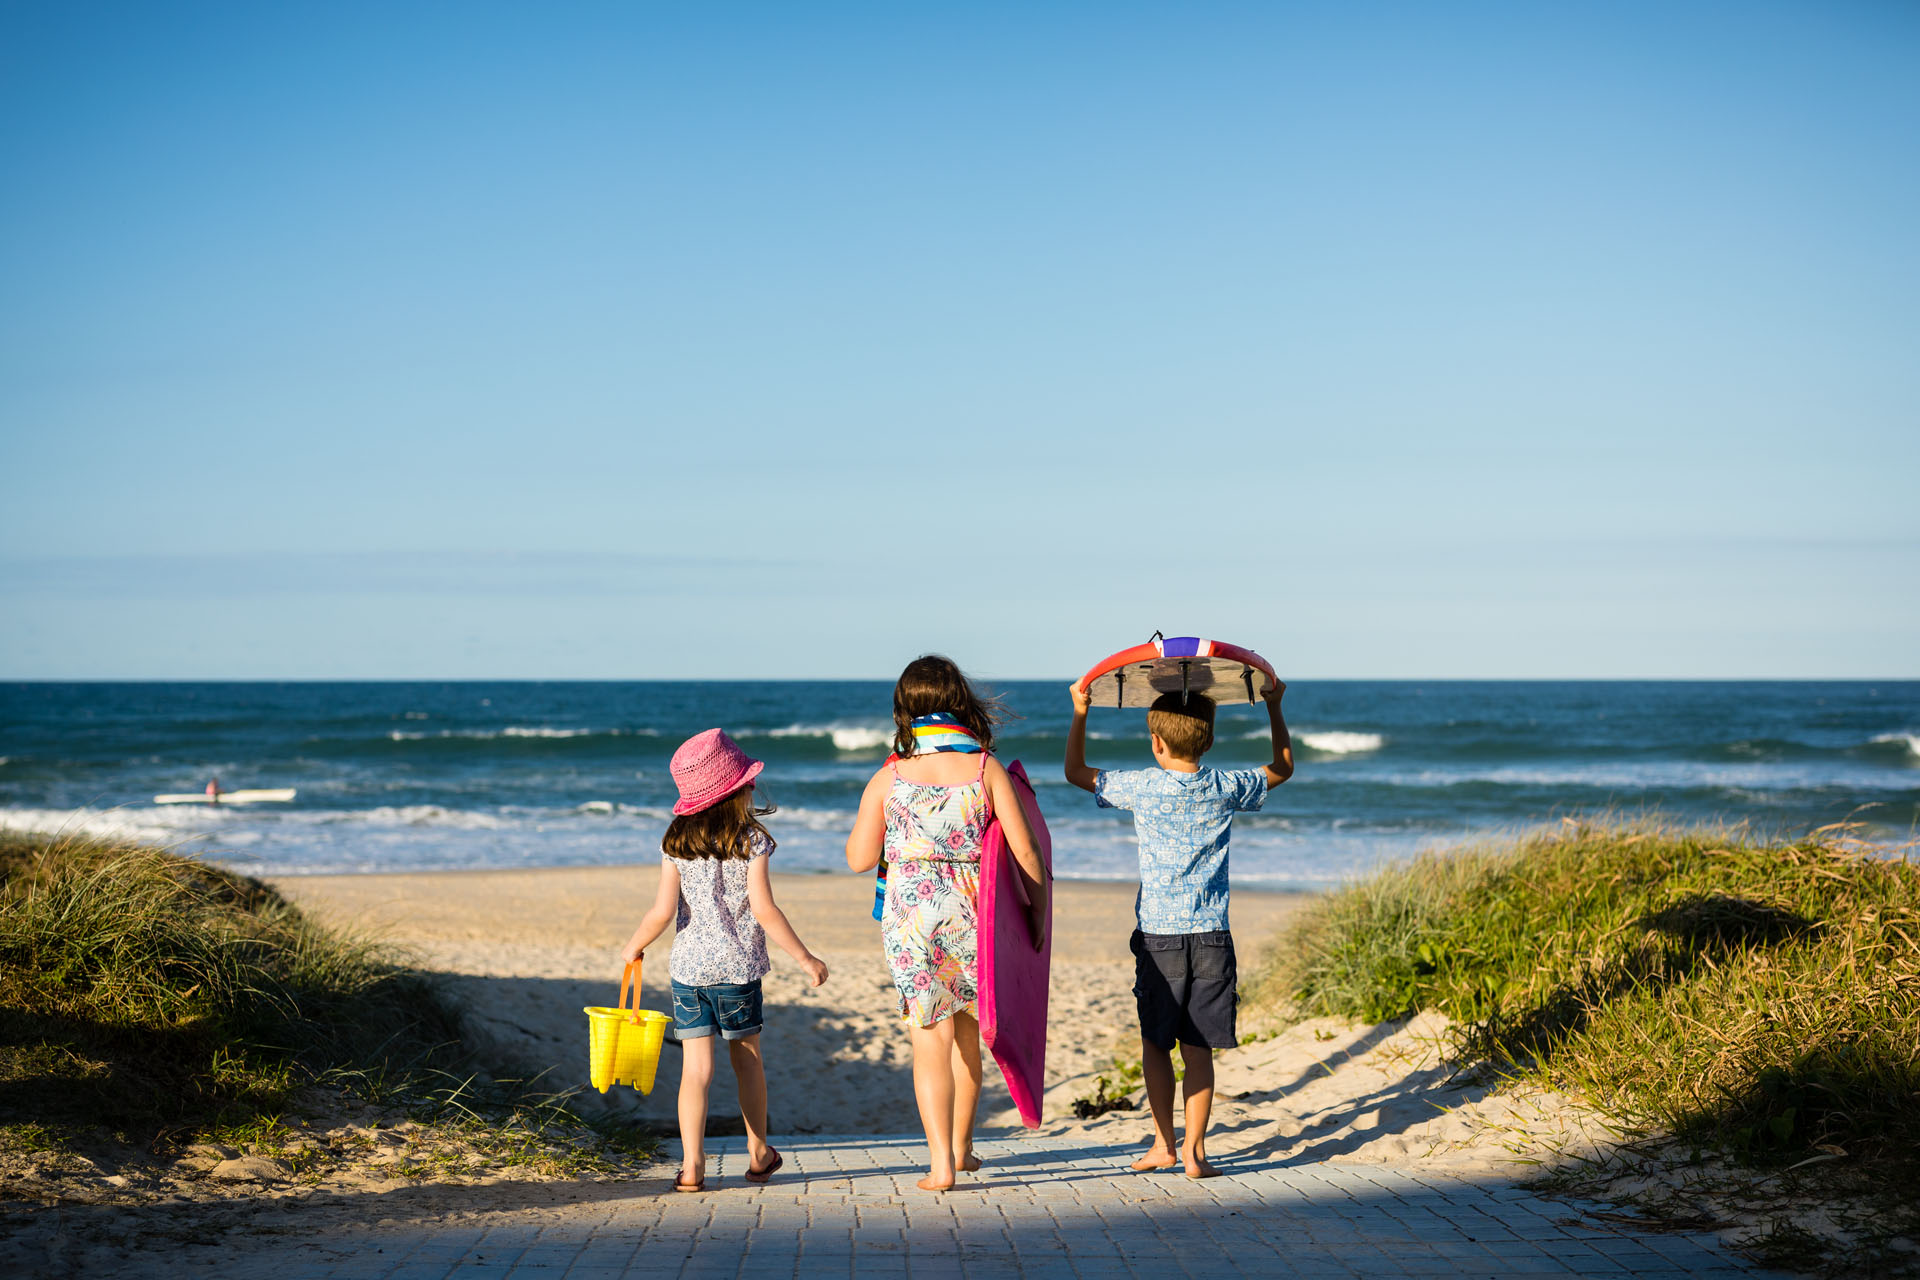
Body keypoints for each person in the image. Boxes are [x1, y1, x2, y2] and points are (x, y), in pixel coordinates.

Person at [1064, 677, 1294, 1178]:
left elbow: (1075, 771)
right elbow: (1282, 768)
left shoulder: (1142, 786)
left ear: (1157, 742)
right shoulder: (1224, 786)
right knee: (1199, 1048)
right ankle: (1196, 1152)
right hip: (1212, 934)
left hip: (1159, 938)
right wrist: (1275, 707)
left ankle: (1163, 1144)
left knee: (1155, 1043)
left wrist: (1081, 710)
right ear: (1209, 741)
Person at [846, 655, 1049, 1192]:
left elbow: (858, 857)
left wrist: (899, 833)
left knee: (928, 1037)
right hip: (974, 914)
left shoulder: (890, 774)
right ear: (959, 701)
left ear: (904, 709)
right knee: (967, 1033)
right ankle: (962, 1150)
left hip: (912, 917)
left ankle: (940, 1164)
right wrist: (1038, 911)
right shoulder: (985, 768)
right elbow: (1026, 851)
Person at [621, 728, 828, 1193]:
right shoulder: (751, 839)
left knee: (696, 1070)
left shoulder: (675, 840)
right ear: (737, 789)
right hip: (737, 971)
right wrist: (804, 957)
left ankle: (692, 1167)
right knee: (748, 1061)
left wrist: (634, 945)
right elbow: (764, 909)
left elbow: (661, 910)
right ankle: (758, 1153)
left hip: (688, 971)